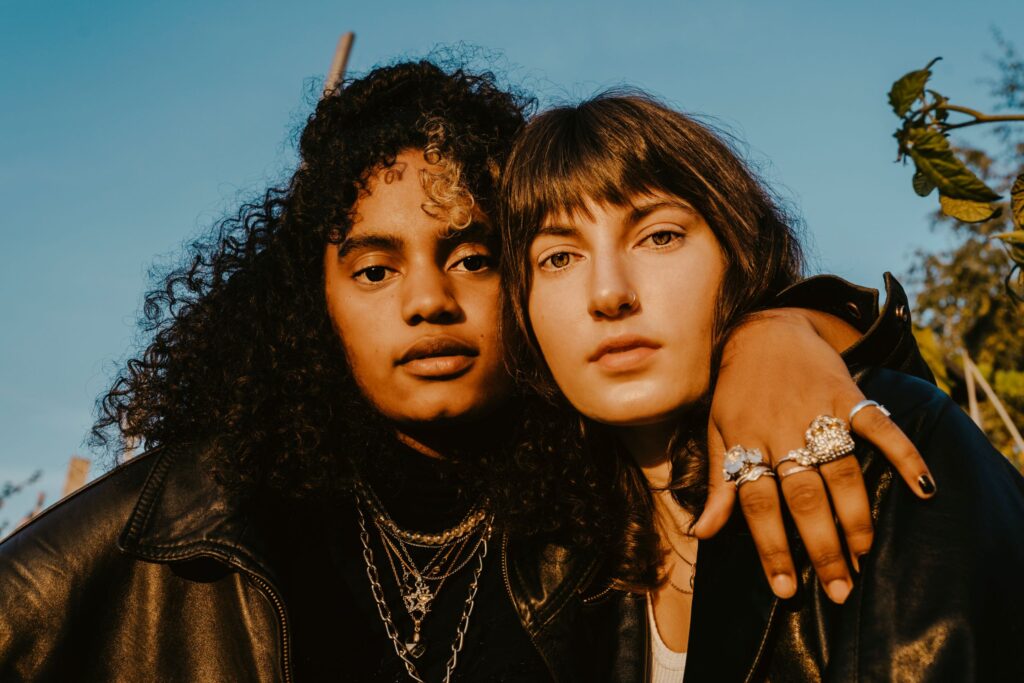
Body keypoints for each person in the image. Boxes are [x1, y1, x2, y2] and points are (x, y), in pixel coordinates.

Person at [0, 59, 934, 682]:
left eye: (474, 256)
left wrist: (777, 331)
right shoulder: (195, 517)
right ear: (308, 306)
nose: (427, 301)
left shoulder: (600, 483)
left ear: (531, 273)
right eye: (374, 268)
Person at [500, 90, 1024, 681]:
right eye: (558, 257)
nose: (609, 294)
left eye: (660, 236)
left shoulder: (885, 449)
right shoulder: (548, 548)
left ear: (739, 254)